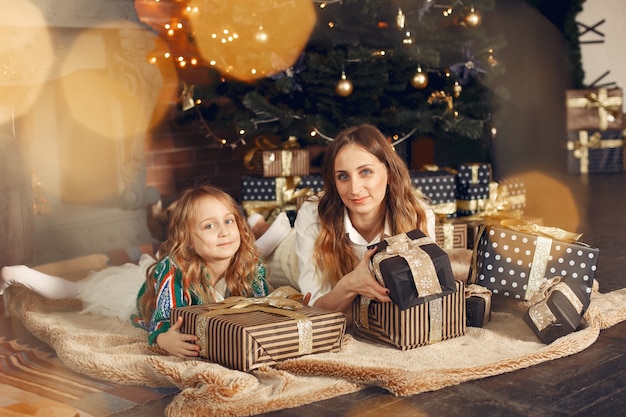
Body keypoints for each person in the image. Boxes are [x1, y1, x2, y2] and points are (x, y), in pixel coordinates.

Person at [1, 185, 293, 358]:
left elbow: (262, 303)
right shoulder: (172, 271)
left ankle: (259, 243)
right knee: (82, 291)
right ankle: (17, 273)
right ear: (188, 240)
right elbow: (160, 320)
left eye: (229, 221)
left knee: (245, 256)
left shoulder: (247, 264)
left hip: (231, 266)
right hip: (140, 296)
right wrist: (163, 339)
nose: (223, 231)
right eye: (209, 226)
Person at [294, 124, 436, 313]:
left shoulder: (418, 215)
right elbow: (314, 308)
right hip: (291, 252)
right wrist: (350, 284)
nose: (354, 189)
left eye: (366, 172)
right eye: (343, 176)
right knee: (274, 247)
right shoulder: (312, 216)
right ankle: (263, 227)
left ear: (390, 174)